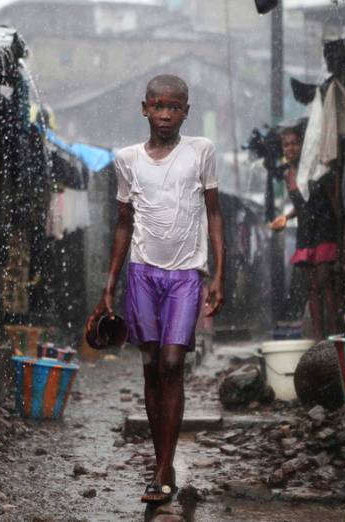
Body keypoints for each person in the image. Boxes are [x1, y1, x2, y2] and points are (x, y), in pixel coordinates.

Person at [87, 74, 225, 503]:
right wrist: (109, 285)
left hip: (186, 275)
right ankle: (160, 464)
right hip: (142, 273)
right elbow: (124, 223)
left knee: (171, 364)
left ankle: (165, 467)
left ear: (187, 110)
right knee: (150, 366)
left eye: (175, 107)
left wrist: (219, 273)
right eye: (158, 106)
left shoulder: (201, 151)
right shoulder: (127, 159)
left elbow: (214, 214)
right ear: (144, 108)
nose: (166, 115)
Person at [269, 123, 341, 340]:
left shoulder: (316, 169)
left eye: (294, 143)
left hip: (325, 228)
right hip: (306, 232)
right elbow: (302, 206)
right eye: (286, 145)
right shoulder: (286, 175)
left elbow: (333, 202)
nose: (290, 149)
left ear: (303, 145)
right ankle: (319, 338)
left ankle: (335, 335)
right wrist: (286, 218)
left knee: (325, 281)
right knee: (311, 287)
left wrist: (343, 237)